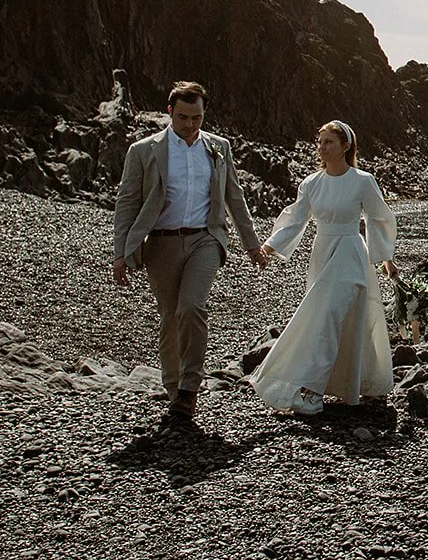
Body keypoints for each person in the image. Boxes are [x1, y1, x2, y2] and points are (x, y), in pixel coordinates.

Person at [113, 80, 266, 426]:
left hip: (205, 239)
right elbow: (126, 203)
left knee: (192, 306)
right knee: (170, 316)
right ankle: (173, 389)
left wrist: (252, 244)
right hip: (161, 242)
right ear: (170, 112)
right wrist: (121, 253)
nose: (190, 124)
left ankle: (189, 388)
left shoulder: (219, 148)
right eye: (183, 117)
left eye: (197, 117)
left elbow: (234, 198)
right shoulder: (144, 150)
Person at [249, 119, 399, 415]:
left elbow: (379, 218)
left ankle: (313, 391)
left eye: (329, 142)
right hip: (323, 253)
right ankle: (334, 384)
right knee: (325, 319)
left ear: (346, 146)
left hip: (351, 253)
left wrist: (386, 260)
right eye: (320, 141)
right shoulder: (311, 183)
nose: (322, 147)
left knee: (330, 318)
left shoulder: (362, 180)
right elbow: (295, 219)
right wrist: (269, 246)